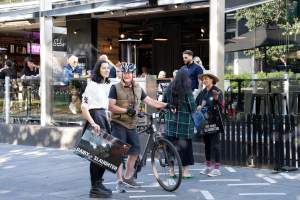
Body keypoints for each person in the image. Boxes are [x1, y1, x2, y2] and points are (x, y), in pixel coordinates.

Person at [108, 63, 174, 191]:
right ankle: (120, 181)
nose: (127, 75)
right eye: (125, 73)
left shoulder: (138, 88)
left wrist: (166, 105)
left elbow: (150, 101)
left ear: (133, 74)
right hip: (118, 123)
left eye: (129, 73)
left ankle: (128, 178)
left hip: (132, 124)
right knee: (119, 153)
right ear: (121, 74)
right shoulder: (114, 88)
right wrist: (126, 110)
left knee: (135, 152)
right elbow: (111, 106)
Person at [81, 60, 112, 198]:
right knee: (97, 156)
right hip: (96, 120)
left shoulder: (104, 85)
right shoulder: (91, 85)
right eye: (103, 68)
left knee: (106, 155)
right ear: (98, 70)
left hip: (103, 119)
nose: (106, 70)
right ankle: (94, 187)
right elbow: (83, 107)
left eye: (107, 68)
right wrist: (93, 123)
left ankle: (98, 183)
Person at [162, 70, 196, 179]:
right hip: (184, 125)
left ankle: (171, 172)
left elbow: (164, 103)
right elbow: (193, 107)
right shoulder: (187, 91)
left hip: (170, 124)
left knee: (170, 148)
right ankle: (185, 172)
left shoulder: (168, 89)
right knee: (185, 149)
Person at [195, 72, 223, 177]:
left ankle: (217, 168)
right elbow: (196, 103)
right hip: (204, 121)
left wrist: (216, 99)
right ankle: (208, 166)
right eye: (203, 79)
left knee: (215, 144)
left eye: (206, 79)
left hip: (214, 121)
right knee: (207, 144)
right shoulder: (202, 92)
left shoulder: (217, 91)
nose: (204, 80)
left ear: (212, 80)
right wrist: (198, 106)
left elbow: (220, 107)